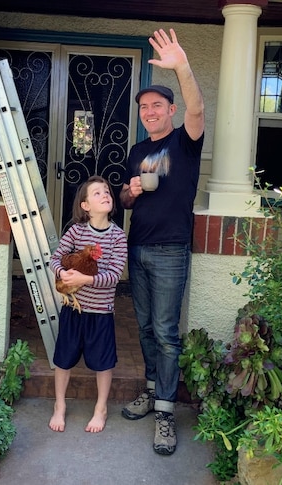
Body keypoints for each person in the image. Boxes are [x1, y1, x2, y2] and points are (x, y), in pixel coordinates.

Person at [119, 28, 205, 455]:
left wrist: (181, 67)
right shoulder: (137, 151)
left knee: (168, 333)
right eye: (144, 108)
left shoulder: (185, 142)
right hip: (138, 248)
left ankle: (166, 412)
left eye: (156, 105)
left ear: (170, 109)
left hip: (171, 249)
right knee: (148, 329)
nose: (150, 112)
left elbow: (199, 108)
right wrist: (130, 194)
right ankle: (152, 391)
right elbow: (124, 196)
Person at [48, 175, 127, 433]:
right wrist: (62, 273)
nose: (105, 195)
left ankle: (100, 408)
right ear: (85, 206)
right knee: (63, 359)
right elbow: (56, 258)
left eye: (107, 192)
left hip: (101, 312)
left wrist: (85, 278)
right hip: (74, 309)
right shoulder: (76, 231)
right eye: (97, 193)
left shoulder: (117, 236)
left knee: (103, 363)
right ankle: (59, 404)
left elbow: (114, 276)